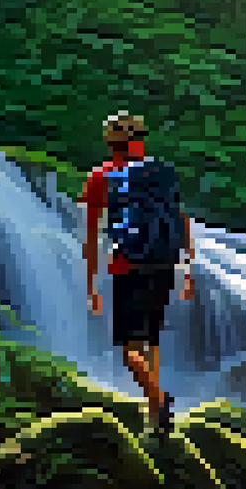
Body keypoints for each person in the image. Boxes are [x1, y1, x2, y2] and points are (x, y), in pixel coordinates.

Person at [81, 112, 196, 436]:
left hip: (127, 264)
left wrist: (91, 285)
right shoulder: (158, 175)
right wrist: (187, 268)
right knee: (151, 341)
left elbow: (92, 236)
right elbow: (181, 220)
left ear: (109, 142)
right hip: (164, 263)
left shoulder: (100, 177)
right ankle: (156, 418)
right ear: (139, 141)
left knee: (130, 348)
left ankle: (158, 401)